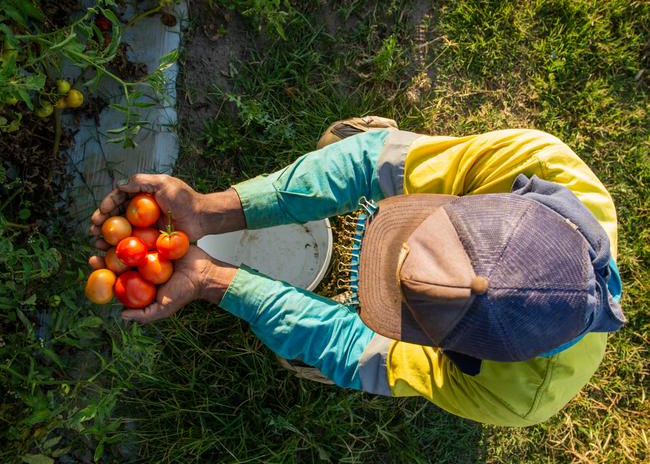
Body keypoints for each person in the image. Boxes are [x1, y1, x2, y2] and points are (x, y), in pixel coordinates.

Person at [89, 119, 625, 427]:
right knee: (366, 149)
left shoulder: (514, 396)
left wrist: (216, 281)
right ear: (502, 200)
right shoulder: (537, 163)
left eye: (408, 309)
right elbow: (371, 163)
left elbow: (365, 353)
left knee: (316, 353)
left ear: (466, 358)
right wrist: (212, 212)